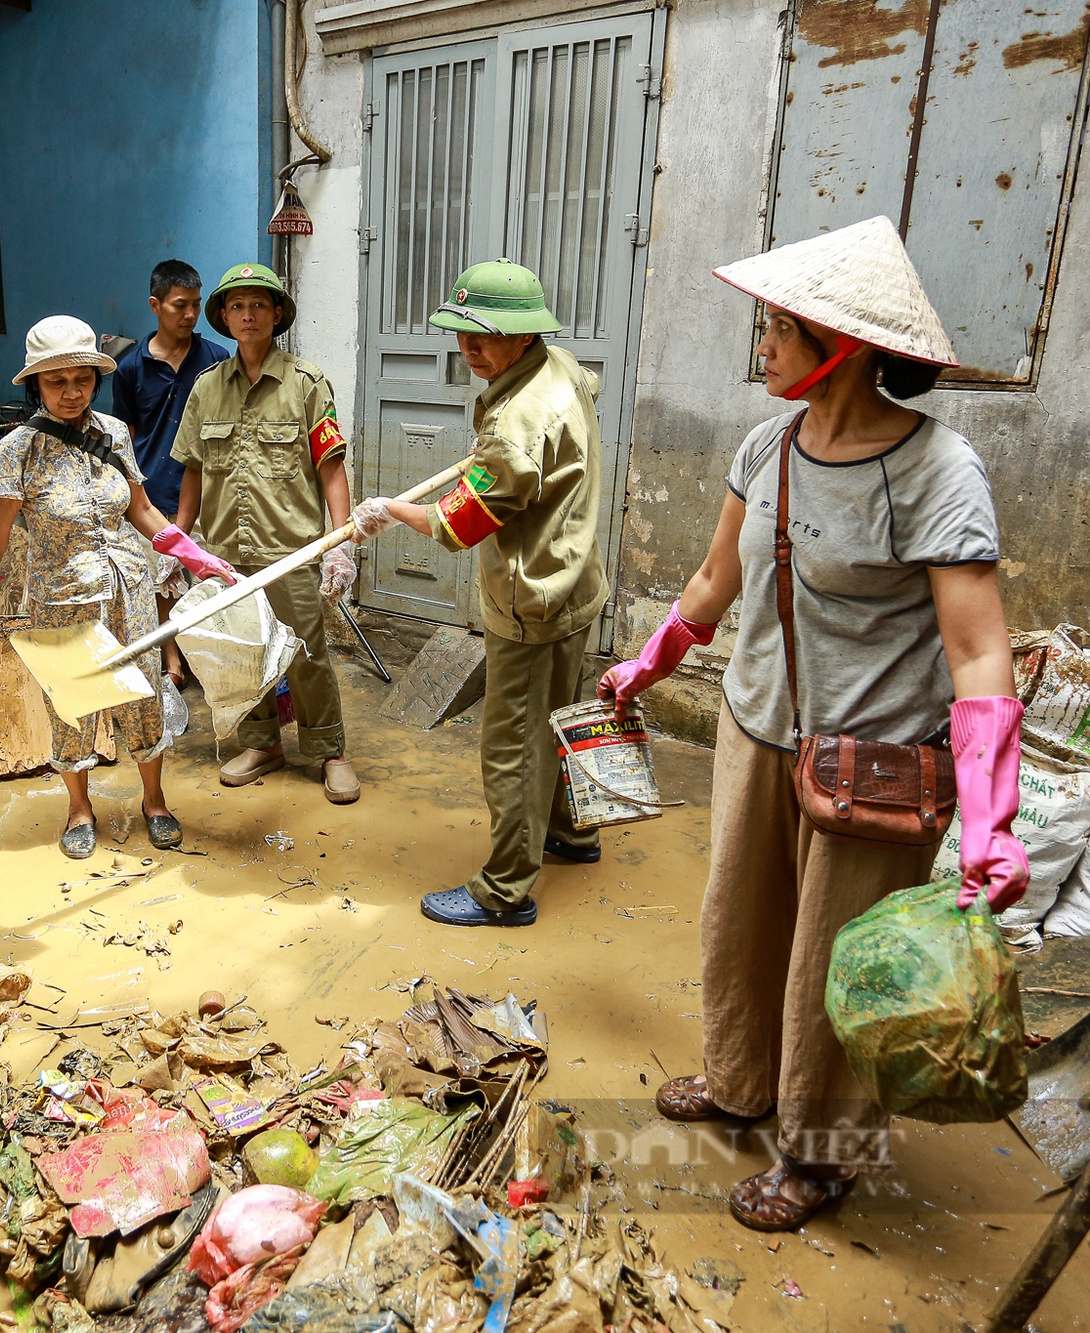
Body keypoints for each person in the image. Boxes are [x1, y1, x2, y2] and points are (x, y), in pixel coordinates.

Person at [594, 216, 1029, 1231]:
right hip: (757, 732)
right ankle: (741, 1081)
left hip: (872, 758)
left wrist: (989, 816)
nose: (759, 348)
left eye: (775, 330)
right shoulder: (766, 445)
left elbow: (975, 651)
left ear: (840, 345)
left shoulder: (937, 471)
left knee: (837, 959)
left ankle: (820, 1157)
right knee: (737, 927)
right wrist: (650, 660)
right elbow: (716, 577)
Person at [351, 259, 608, 927]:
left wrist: (387, 509)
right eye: (461, 334)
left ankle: (504, 889)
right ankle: (572, 833)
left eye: (484, 336)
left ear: (524, 335)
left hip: (529, 596)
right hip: (575, 581)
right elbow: (584, 395)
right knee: (560, 715)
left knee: (514, 745)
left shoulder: (517, 425)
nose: (468, 349)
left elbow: (454, 524)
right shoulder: (561, 370)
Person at [0, 316, 236, 859]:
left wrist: (200, 560)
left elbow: (144, 512)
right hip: (62, 600)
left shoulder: (114, 433)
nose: (71, 392)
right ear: (35, 384)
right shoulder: (17, 450)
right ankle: (79, 808)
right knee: (74, 705)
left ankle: (154, 800)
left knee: (143, 696)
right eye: (56, 382)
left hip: (129, 590)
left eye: (81, 379)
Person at [172, 264, 361, 805]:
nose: (247, 315)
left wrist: (341, 541)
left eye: (259, 305)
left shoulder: (306, 383)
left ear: (277, 315)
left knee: (306, 655)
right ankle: (262, 744)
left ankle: (329, 751)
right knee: (244, 652)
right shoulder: (207, 389)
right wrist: (176, 542)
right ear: (224, 317)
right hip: (227, 552)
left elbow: (331, 466)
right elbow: (192, 469)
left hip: (292, 549)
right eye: (236, 306)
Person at [111, 259, 228, 688]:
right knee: (163, 580)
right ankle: (172, 661)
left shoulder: (217, 359)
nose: (190, 315)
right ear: (155, 305)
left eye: (196, 305)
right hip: (155, 492)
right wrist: (131, 489)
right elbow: (126, 435)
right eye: (180, 305)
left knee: (208, 577)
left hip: (209, 492)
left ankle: (210, 659)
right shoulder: (129, 368)